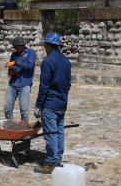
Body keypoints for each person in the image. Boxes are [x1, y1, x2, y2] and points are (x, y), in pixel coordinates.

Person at [34, 33, 72, 174]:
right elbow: (68, 84)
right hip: (62, 103)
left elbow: (44, 86)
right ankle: (58, 158)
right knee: (59, 131)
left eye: (45, 44)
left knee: (50, 133)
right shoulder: (66, 61)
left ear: (48, 45)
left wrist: (39, 105)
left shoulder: (48, 61)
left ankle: (50, 163)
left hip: (50, 103)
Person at [4, 36, 36, 122]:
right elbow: (11, 66)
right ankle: (9, 125)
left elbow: (29, 66)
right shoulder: (14, 55)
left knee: (24, 110)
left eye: (16, 47)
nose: (15, 49)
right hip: (13, 83)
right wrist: (10, 71)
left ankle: (24, 128)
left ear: (21, 45)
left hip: (25, 84)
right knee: (7, 107)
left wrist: (16, 62)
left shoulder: (31, 53)